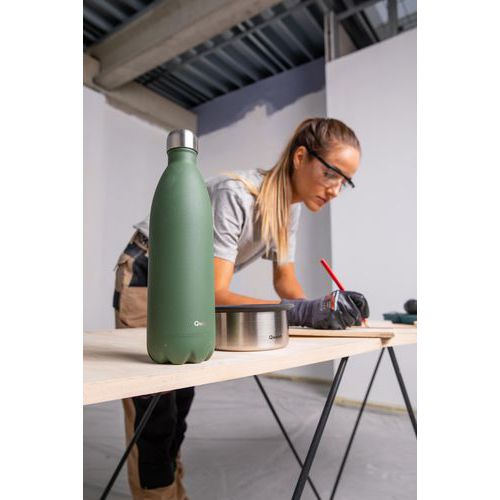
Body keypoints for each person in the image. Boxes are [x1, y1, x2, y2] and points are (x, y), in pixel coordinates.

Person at [112, 117, 370, 499]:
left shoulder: (290, 208)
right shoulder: (236, 193)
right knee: (154, 407)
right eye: (332, 173)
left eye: (345, 182)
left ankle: (171, 493)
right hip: (151, 271)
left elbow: (285, 284)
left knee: (181, 399)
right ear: (301, 157)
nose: (335, 189)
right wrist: (302, 312)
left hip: (191, 284)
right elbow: (214, 293)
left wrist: (327, 311)